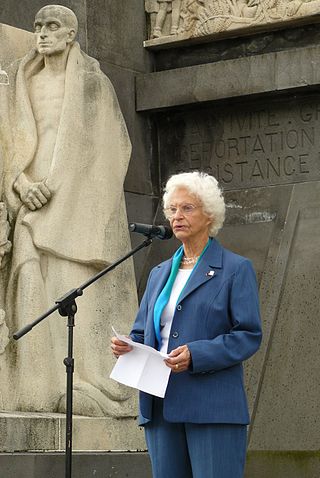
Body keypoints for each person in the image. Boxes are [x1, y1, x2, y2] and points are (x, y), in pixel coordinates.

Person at [1, 5, 138, 417]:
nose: (42, 34)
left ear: (71, 36)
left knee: (72, 290)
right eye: (38, 26)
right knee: (29, 281)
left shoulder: (93, 84)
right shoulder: (18, 82)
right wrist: (22, 184)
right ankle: (36, 385)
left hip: (75, 206)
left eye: (52, 27)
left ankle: (75, 381)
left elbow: (111, 149)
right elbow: (7, 145)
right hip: (27, 202)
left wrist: (61, 189)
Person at [111, 171, 262, 478]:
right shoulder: (159, 273)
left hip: (212, 408)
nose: (176, 216)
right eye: (172, 210)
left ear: (209, 215)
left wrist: (197, 354)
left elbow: (248, 335)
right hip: (159, 405)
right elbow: (143, 331)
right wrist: (129, 343)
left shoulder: (235, 269)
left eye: (187, 208)